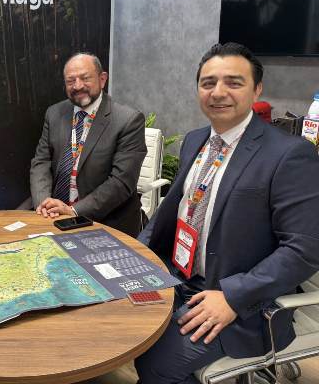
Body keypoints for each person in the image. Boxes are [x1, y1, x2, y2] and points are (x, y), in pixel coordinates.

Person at [135, 42, 319, 383]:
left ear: (257, 89)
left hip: (241, 303)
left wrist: (233, 298)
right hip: (179, 278)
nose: (218, 92)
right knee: (123, 327)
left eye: (234, 82)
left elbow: (305, 249)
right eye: (208, 83)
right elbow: (176, 211)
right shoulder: (195, 140)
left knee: (155, 364)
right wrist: (137, 253)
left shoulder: (289, 154)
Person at [30, 52, 147, 237]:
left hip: (106, 220)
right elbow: (41, 162)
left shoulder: (128, 120)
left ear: (102, 79)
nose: (78, 86)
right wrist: (44, 203)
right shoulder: (54, 114)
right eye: (71, 81)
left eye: (85, 78)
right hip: (55, 214)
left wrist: (74, 211)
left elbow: (121, 182)